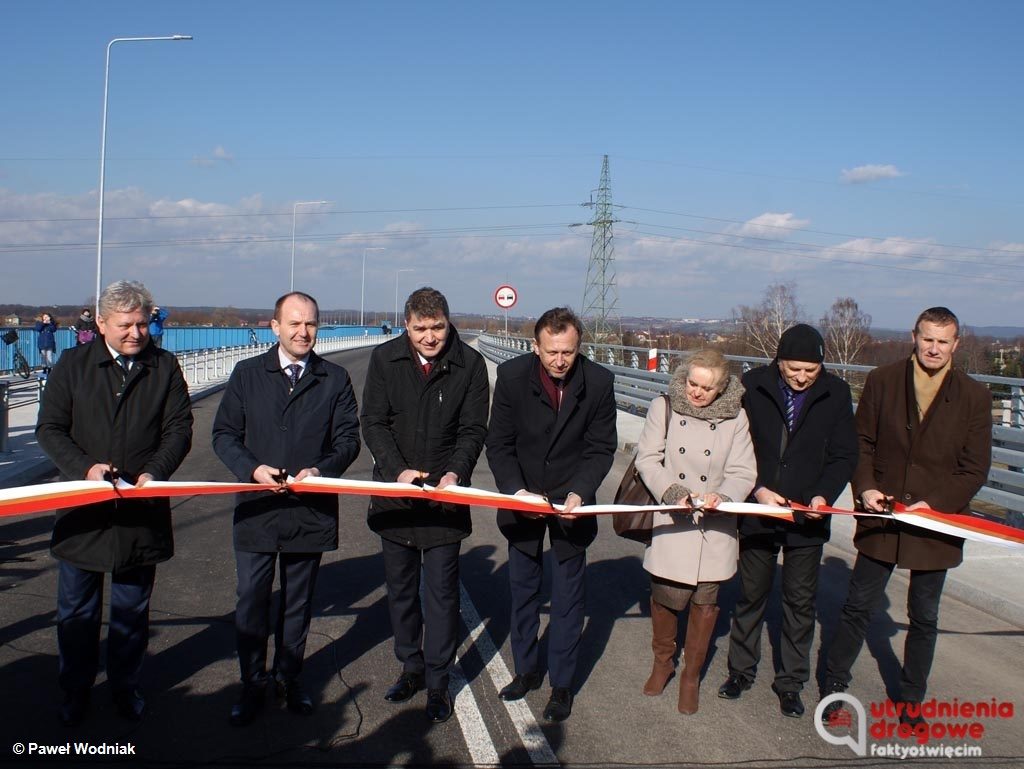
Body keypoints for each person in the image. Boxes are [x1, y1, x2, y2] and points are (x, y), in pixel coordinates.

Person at [820, 307, 992, 726]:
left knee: (924, 616)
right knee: (857, 606)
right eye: (927, 338)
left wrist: (936, 504)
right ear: (914, 336)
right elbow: (862, 443)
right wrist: (866, 487)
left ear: (956, 344)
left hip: (937, 523)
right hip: (883, 515)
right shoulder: (883, 381)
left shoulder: (974, 396)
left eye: (943, 341)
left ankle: (912, 699)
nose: (934, 348)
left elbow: (974, 468)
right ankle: (833, 685)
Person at [36, 280, 193, 726]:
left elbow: (179, 430)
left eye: (143, 324)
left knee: (131, 612)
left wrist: (155, 472)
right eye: (125, 325)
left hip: (140, 511)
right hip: (83, 511)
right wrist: (86, 468)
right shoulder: (72, 365)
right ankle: (76, 689)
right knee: (77, 613)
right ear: (101, 323)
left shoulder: (164, 367)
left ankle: (126, 686)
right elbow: (49, 429)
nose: (136, 333)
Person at [212, 291, 360, 727]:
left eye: (311, 323)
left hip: (308, 508)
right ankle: (251, 683)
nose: (303, 332)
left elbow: (349, 439)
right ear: (274, 326)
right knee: (252, 600)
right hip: (257, 506)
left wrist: (321, 469)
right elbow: (224, 435)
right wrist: (251, 468)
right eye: (294, 323)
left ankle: (289, 678)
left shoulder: (334, 379)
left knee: (298, 602)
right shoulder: (246, 374)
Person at [360, 287, 489, 724]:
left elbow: (474, 429)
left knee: (441, 596)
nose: (430, 337)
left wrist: (455, 475)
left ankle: (438, 681)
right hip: (396, 497)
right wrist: (396, 470)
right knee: (400, 591)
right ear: (406, 325)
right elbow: (373, 422)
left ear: (448, 322)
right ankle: (410, 666)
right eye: (420, 328)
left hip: (444, 502)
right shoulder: (384, 360)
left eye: (437, 327)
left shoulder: (469, 365)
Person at [717, 325, 857, 718]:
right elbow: (736, 446)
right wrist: (757, 488)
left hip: (807, 515)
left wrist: (823, 496)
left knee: (800, 602)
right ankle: (740, 672)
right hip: (761, 506)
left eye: (810, 371)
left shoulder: (836, 393)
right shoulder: (753, 385)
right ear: (779, 362)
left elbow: (845, 455)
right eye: (794, 369)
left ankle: (791, 683)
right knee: (751, 594)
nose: (801, 377)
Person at [486, 307, 617, 723]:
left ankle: (562, 684)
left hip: (571, 505)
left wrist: (581, 490)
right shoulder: (510, 378)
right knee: (523, 592)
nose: (560, 360)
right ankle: (525, 670)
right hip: (523, 499)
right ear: (536, 347)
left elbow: (600, 448)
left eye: (568, 352)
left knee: (567, 599)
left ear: (579, 347)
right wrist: (515, 491)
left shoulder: (599, 382)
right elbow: (499, 445)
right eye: (551, 352)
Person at [634, 349, 756, 715]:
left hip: (713, 525)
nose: (697, 393)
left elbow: (743, 471)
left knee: (706, 602)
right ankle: (663, 663)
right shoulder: (664, 407)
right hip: (673, 517)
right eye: (691, 383)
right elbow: (647, 458)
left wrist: (724, 495)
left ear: (721, 389)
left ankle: (691, 676)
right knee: (666, 596)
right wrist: (672, 492)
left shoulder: (736, 418)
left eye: (706, 387)